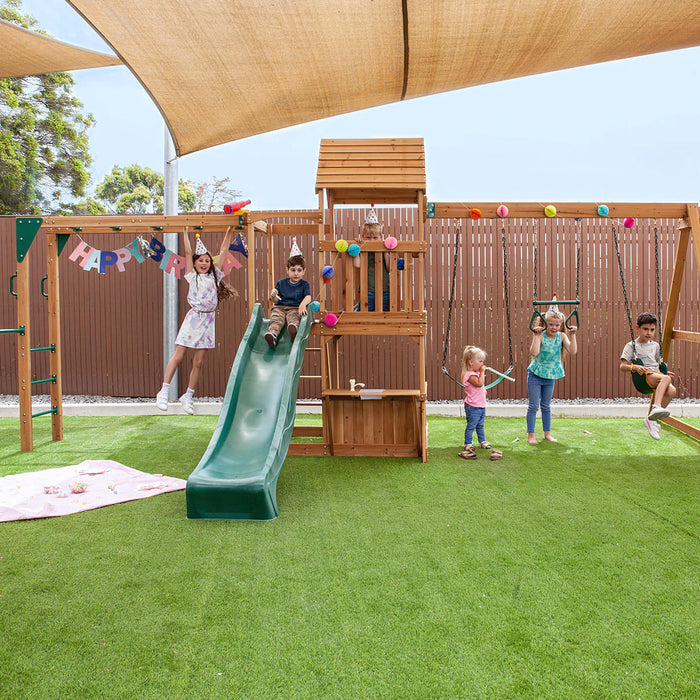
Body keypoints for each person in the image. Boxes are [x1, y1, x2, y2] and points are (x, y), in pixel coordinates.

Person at [156, 227, 237, 414]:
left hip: (208, 321)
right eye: (200, 260)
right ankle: (164, 390)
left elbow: (224, 251)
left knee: (198, 361)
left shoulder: (215, 276)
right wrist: (184, 232)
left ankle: (188, 395)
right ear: (195, 263)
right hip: (193, 317)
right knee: (179, 354)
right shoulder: (192, 276)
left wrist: (229, 232)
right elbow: (187, 252)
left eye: (207, 260)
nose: (204, 263)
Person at [620, 312, 677, 439]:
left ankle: (651, 419)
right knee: (666, 379)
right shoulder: (631, 346)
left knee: (672, 390)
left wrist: (664, 372)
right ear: (638, 328)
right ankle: (656, 408)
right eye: (645, 329)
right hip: (644, 376)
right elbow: (622, 366)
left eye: (652, 330)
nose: (649, 333)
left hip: (655, 374)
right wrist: (634, 367)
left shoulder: (655, 346)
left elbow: (655, 364)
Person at [526, 308, 577, 444]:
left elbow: (572, 351)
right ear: (544, 323)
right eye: (551, 324)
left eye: (557, 324)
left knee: (546, 406)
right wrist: (536, 337)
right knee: (533, 406)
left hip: (550, 375)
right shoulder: (541, 335)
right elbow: (534, 352)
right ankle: (531, 435)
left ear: (561, 325)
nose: (554, 327)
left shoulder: (562, 336)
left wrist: (572, 335)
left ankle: (547, 434)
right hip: (535, 375)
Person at [457, 345, 502, 460]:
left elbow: (480, 388)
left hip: (480, 405)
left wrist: (483, 392)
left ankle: (482, 441)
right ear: (471, 362)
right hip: (472, 406)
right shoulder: (470, 374)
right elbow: (479, 383)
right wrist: (482, 373)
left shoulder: (476, 373)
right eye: (480, 361)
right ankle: (468, 443)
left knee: (480, 425)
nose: (482, 364)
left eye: (483, 361)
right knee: (471, 425)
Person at [265, 253, 311, 348]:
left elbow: (308, 297)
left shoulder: (304, 284)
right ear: (287, 270)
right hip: (280, 307)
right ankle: (273, 335)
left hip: (294, 308)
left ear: (304, 271)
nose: (296, 273)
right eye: (293, 270)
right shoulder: (281, 283)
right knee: (276, 319)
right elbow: (276, 300)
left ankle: (293, 331)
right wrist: (273, 295)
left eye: (299, 270)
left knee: (294, 318)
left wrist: (302, 305)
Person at [353, 206, 390, 312]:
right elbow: (357, 265)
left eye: (375, 237)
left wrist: (385, 252)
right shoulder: (364, 250)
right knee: (366, 314)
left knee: (384, 314)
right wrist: (357, 249)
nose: (372, 240)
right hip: (367, 290)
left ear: (381, 237)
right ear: (363, 236)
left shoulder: (383, 250)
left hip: (384, 290)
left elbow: (389, 268)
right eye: (368, 237)